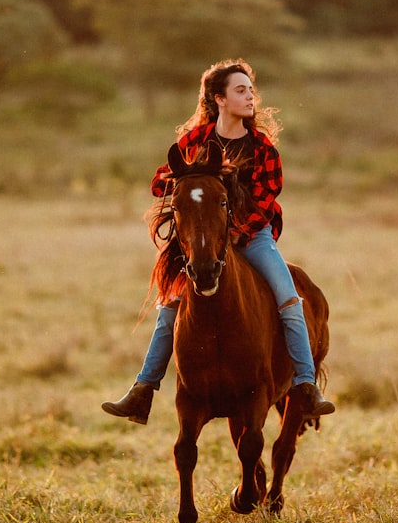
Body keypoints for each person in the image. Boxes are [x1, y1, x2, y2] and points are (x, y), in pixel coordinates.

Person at [102, 59, 335, 424]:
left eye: (250, 90)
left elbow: (266, 198)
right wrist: (187, 181)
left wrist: (236, 232)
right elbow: (160, 182)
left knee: (289, 299)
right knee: (170, 305)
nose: (249, 96)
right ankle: (143, 390)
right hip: (205, 239)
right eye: (240, 90)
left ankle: (306, 386)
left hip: (252, 237)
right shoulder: (195, 140)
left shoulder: (262, 148)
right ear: (219, 98)